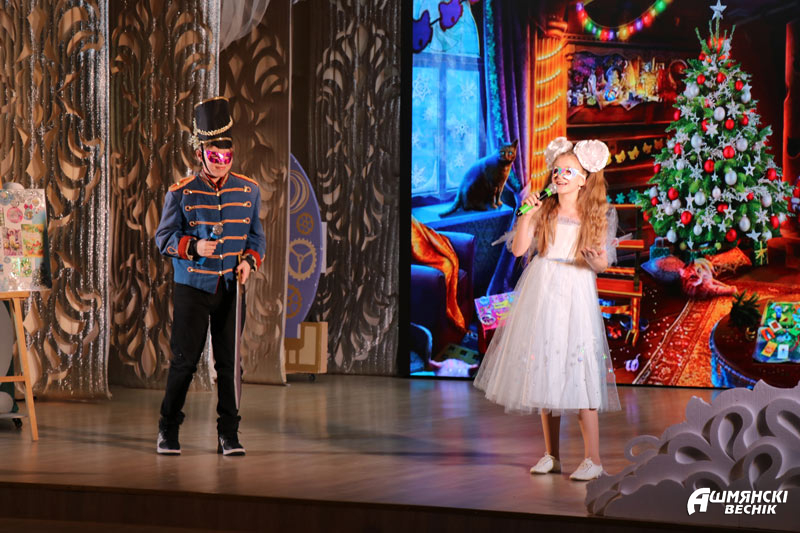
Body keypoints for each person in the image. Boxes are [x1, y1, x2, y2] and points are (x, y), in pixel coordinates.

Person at [474, 136, 621, 481]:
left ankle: (593, 459)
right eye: (557, 170)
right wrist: (526, 215)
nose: (560, 176)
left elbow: (601, 263)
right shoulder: (545, 210)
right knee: (546, 371)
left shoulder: (593, 214)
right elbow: (519, 249)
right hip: (544, 289)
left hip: (575, 290)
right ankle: (551, 455)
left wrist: (595, 260)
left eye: (568, 171)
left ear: (584, 179)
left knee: (580, 374)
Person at [154, 97, 266, 456]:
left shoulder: (249, 191)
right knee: (184, 361)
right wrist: (193, 246)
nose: (221, 162)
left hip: (231, 288)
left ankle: (228, 434)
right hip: (192, 286)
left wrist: (249, 262)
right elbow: (163, 238)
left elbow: (256, 238)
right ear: (200, 153)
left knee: (230, 365)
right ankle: (168, 427)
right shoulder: (181, 193)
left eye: (227, 156)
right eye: (214, 156)